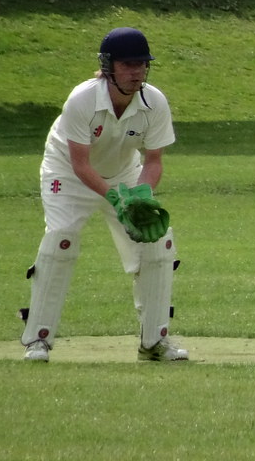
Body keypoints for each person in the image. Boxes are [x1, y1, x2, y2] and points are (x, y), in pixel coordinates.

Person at [20, 27, 187, 362]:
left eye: (142, 64)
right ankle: (38, 339)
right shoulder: (82, 99)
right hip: (67, 173)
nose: (136, 72)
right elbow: (81, 164)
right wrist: (115, 198)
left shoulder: (154, 101)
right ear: (109, 66)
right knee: (62, 237)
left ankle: (154, 342)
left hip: (123, 172)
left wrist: (141, 196)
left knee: (157, 241)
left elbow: (154, 161)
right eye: (128, 64)